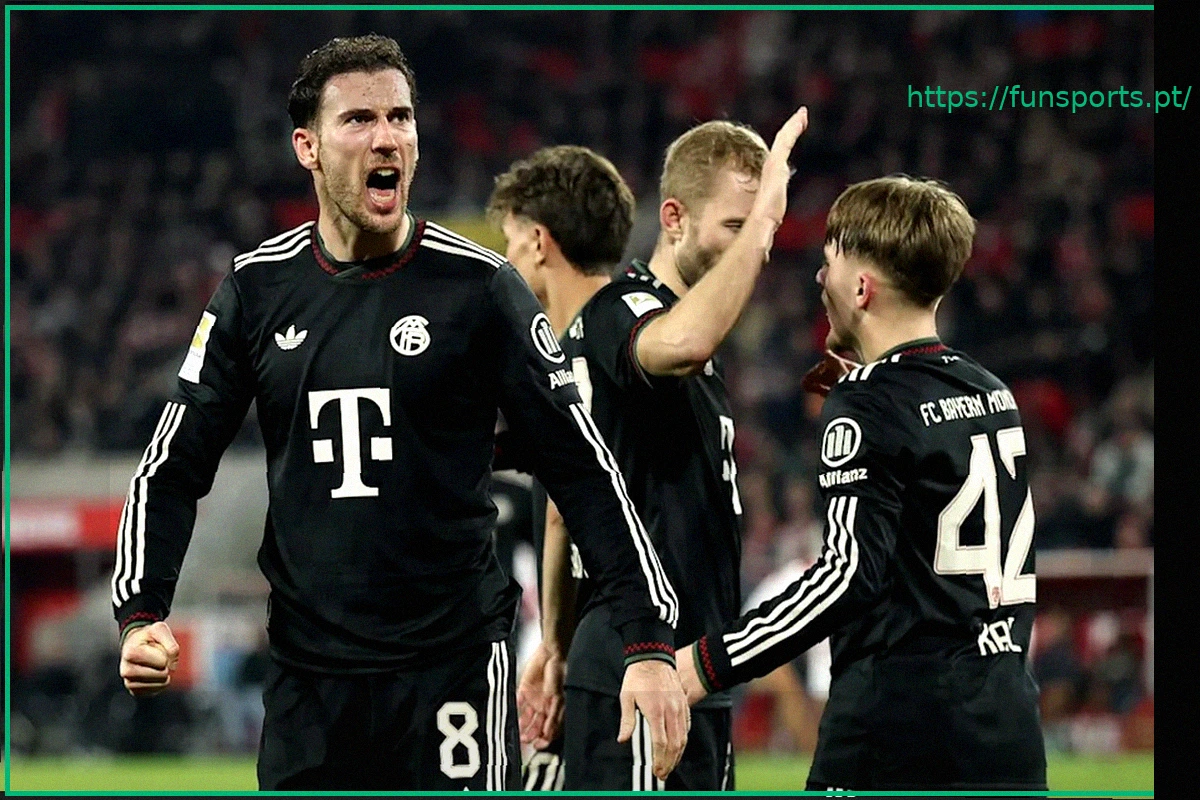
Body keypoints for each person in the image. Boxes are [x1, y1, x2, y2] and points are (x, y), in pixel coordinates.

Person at [111, 34, 689, 791]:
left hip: (449, 667)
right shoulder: (256, 290)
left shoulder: (481, 289)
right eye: (359, 119)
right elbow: (172, 465)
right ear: (308, 148)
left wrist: (648, 641)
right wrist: (142, 610)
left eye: (401, 117)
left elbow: (582, 466)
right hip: (309, 682)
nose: (387, 137)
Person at [676, 175, 1048, 791]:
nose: (820, 279)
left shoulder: (867, 401)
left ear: (862, 287)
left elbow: (847, 576)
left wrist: (708, 662)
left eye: (829, 263)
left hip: (897, 735)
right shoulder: (991, 391)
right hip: (1008, 730)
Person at [491, 107, 808, 791]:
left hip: (671, 665)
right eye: (736, 225)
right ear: (674, 218)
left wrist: (556, 645)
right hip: (646, 665)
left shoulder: (626, 331)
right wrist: (765, 217)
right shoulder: (624, 311)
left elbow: (562, 512)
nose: (758, 247)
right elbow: (685, 342)